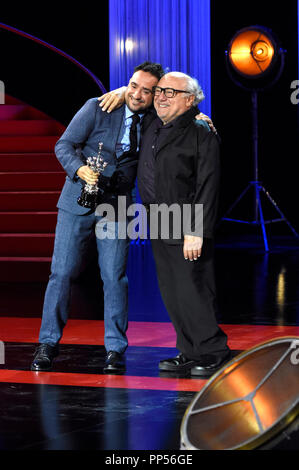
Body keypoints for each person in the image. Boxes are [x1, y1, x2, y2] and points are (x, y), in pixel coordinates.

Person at [31, 61, 164, 373]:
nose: (137, 94)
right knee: (61, 274)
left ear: (155, 94)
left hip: (116, 205)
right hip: (77, 199)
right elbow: (63, 144)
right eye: (133, 85)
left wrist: (199, 116)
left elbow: (181, 107)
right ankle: (47, 343)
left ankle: (115, 350)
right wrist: (79, 168)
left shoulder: (155, 119)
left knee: (114, 277)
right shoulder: (97, 107)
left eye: (146, 90)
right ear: (127, 83)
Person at [138, 72, 231, 376]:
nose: (161, 96)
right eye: (160, 90)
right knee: (173, 290)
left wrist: (197, 230)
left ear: (190, 99)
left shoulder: (201, 130)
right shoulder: (153, 124)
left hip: (186, 222)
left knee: (194, 288)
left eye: (170, 92)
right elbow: (133, 94)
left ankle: (214, 351)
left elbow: (208, 185)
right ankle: (189, 350)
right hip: (159, 220)